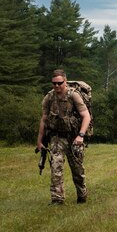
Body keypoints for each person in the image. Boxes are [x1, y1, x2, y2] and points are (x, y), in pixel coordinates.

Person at [36, 69, 91, 205]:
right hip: (57, 138)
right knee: (56, 168)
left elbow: (86, 116)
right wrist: (39, 140)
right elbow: (44, 119)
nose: (56, 86)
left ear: (65, 81)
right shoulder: (49, 97)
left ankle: (82, 195)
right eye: (54, 83)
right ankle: (57, 199)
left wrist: (81, 136)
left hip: (74, 138)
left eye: (59, 83)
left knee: (77, 171)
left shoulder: (74, 96)